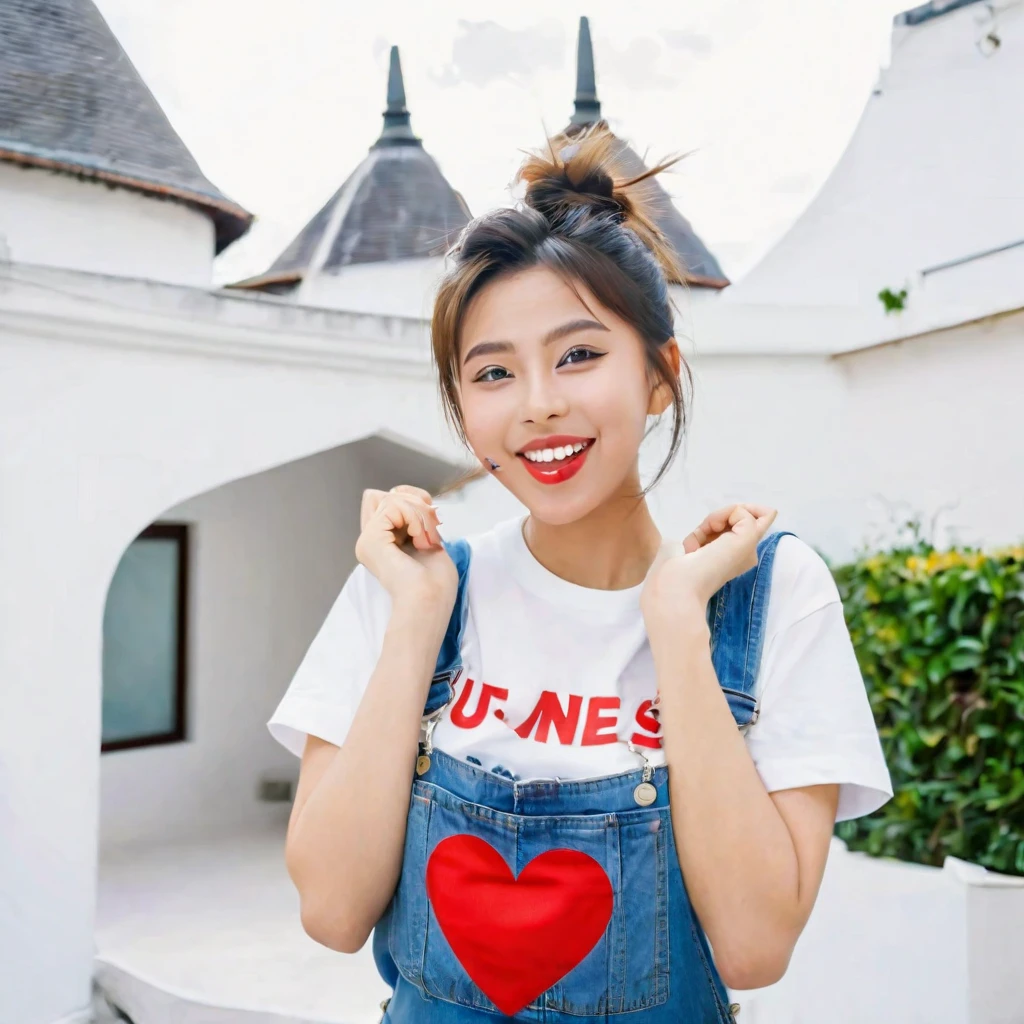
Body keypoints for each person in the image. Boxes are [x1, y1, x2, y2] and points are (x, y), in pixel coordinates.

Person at [267, 124, 893, 1023]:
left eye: (580, 354)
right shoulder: (407, 586)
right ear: (463, 409)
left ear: (659, 376)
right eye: (492, 373)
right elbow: (330, 912)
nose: (539, 404)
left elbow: (755, 949)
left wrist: (675, 618)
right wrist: (417, 621)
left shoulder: (770, 598)